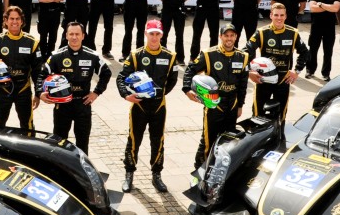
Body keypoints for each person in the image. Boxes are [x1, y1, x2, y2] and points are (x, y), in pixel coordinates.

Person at [117, 19, 179, 193]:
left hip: (159, 106)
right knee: (134, 139)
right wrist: (126, 95)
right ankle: (129, 174)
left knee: (157, 140)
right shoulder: (136, 55)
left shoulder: (170, 56)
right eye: (151, 33)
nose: (154, 37)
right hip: (139, 106)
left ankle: (156, 175)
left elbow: (173, 80)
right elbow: (121, 77)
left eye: (157, 34)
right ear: (146, 34)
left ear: (162, 35)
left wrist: (159, 94)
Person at [183, 23, 250, 170]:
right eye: (226, 35)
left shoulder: (243, 56)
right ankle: (200, 169)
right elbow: (190, 70)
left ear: (236, 37)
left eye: (232, 35)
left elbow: (243, 84)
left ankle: (219, 171)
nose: (229, 39)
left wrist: (240, 106)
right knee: (208, 140)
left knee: (228, 140)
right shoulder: (208, 54)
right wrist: (187, 89)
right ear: (220, 37)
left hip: (232, 105)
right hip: (214, 104)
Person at [38, 22, 112, 154]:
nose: (74, 37)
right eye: (71, 34)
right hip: (62, 106)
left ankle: (81, 172)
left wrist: (96, 92)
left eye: (77, 34)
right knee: (59, 143)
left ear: (83, 36)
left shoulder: (92, 56)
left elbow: (106, 73)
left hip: (82, 104)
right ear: (66, 35)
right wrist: (40, 92)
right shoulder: (56, 56)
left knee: (82, 143)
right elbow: (41, 75)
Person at [0, 6, 43, 130]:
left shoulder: (32, 42)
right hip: (3, 89)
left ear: (22, 21)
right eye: (11, 18)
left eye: (17, 19)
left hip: (24, 89)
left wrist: (38, 93)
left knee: (27, 127)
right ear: (5, 20)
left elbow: (38, 71)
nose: (15, 22)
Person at [247, 3, 309, 127]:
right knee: (258, 115)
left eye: (281, 15)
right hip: (263, 80)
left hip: (283, 80)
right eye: (276, 15)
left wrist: (296, 71)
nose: (279, 18)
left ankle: (278, 139)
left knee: (281, 116)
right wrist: (249, 71)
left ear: (286, 16)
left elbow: (305, 52)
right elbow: (245, 51)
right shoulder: (261, 32)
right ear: (271, 15)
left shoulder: (293, 33)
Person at [155, 0, 193, 65]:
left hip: (179, 10)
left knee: (179, 35)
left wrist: (182, 1)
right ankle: (163, 56)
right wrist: (164, 0)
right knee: (164, 34)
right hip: (167, 9)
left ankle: (180, 58)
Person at [305, 0, 340, 81]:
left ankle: (326, 73)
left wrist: (320, 4)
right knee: (312, 49)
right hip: (316, 26)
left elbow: (335, 9)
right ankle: (310, 70)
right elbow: (312, 8)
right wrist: (328, 7)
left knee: (328, 51)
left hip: (329, 27)